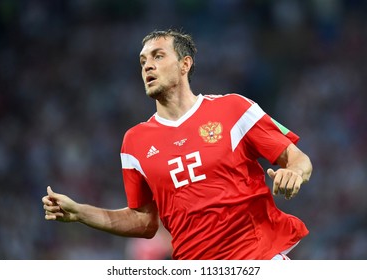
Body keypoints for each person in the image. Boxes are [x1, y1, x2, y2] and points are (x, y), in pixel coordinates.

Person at [42, 29, 313, 260]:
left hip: (258, 258)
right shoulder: (134, 142)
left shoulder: (234, 109)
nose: (147, 66)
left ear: (185, 64)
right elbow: (144, 222)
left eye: (158, 56)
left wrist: (294, 173)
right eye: (143, 61)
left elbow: (299, 160)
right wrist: (81, 212)